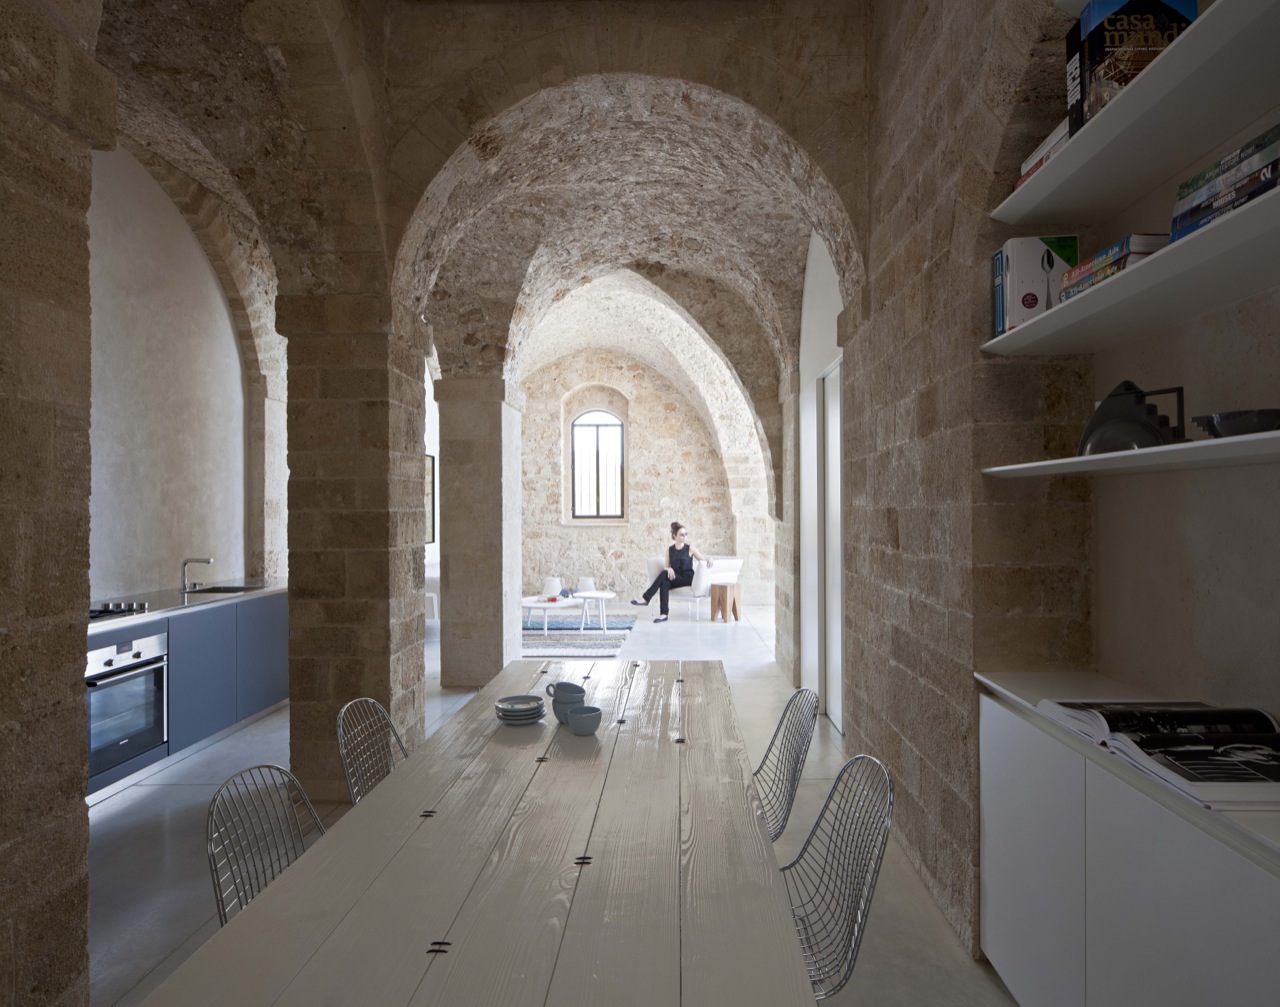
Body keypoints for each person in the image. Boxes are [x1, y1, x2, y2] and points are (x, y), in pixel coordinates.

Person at [631, 521, 714, 623]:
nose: (685, 536)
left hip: (688, 578)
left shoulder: (690, 548)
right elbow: (666, 567)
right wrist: (668, 569)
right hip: (675, 577)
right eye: (682, 534)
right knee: (664, 583)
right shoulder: (669, 550)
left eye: (686, 534)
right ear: (674, 536)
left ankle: (646, 598)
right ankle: (663, 614)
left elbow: (703, 559)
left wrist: (710, 559)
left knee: (664, 574)